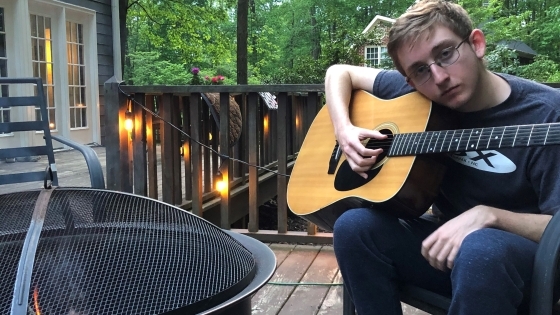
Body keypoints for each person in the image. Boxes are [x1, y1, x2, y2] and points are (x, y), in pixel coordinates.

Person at [325, 0, 560, 314]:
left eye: (446, 53)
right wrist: (345, 129)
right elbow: (339, 72)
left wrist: (491, 216)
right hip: (445, 252)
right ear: (410, 81)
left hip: (530, 264)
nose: (438, 77)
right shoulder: (421, 96)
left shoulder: (546, 114)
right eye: (420, 70)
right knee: (354, 227)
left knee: (481, 248)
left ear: (476, 43)